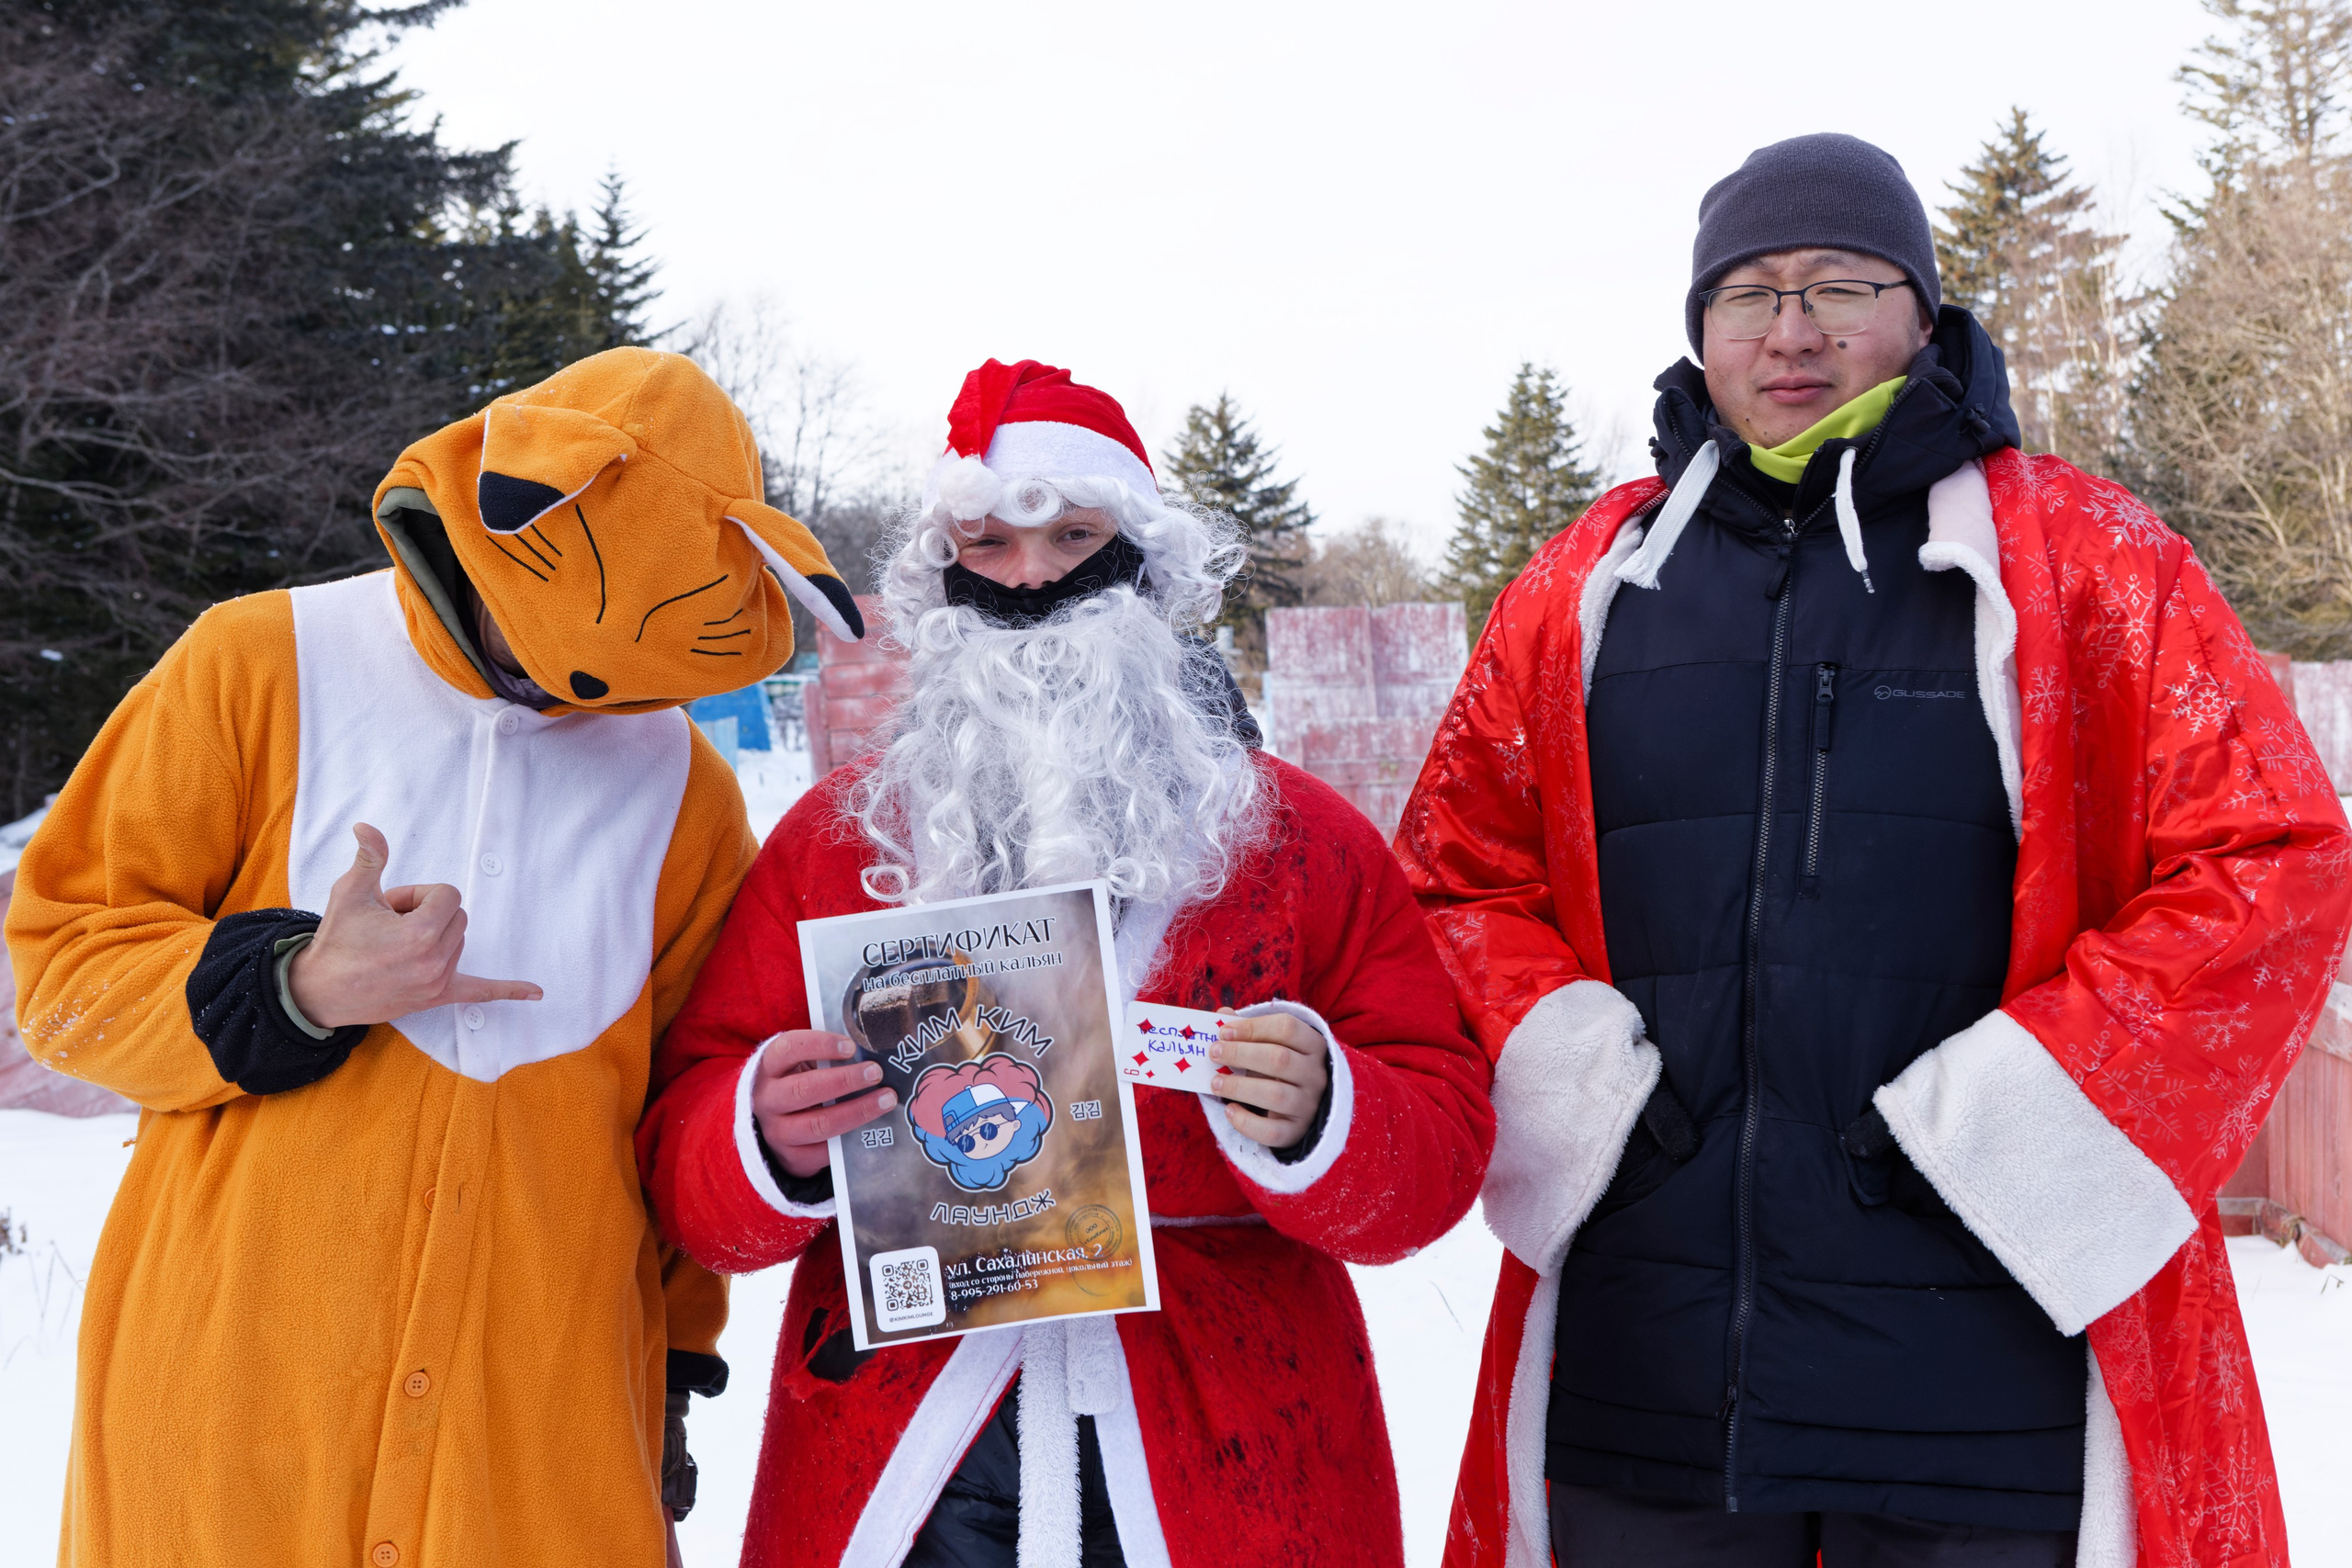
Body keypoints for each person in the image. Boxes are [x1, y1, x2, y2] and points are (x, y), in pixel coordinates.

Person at [1397, 133, 2352, 1568]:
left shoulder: (2088, 562)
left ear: (1921, 311)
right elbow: (1451, 875)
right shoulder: (1583, 588)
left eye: (1839, 284)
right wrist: (1579, 1085)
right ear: (1700, 331)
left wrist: (2012, 1120)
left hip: (1993, 1388)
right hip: (1646, 1384)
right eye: (1749, 295)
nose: (1791, 329)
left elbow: (2271, 856)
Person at [6, 347, 864, 1567]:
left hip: (536, 1446)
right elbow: (64, 983)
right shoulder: (255, 664)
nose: (556, 702)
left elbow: (682, 1105)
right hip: (229, 1426)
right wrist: (297, 986)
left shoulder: (688, 792)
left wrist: (672, 1372)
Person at [636, 358, 1494, 1567]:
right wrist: (761, 1135)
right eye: (985, 543)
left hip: (1232, 1438)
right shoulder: (835, 845)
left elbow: (1444, 1145)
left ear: (1144, 562)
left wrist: (1326, 1114)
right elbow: (688, 1180)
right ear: (940, 579)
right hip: (900, 1440)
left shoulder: (1301, 843)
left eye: (1073, 534)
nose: (1032, 577)